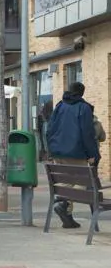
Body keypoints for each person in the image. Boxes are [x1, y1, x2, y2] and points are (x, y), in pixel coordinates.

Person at [46, 82, 100, 228]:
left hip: (58, 152)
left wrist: (51, 150)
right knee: (83, 181)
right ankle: (63, 204)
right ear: (82, 93)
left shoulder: (59, 106)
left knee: (65, 181)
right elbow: (87, 134)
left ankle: (64, 209)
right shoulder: (84, 108)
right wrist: (93, 154)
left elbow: (49, 129)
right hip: (76, 153)